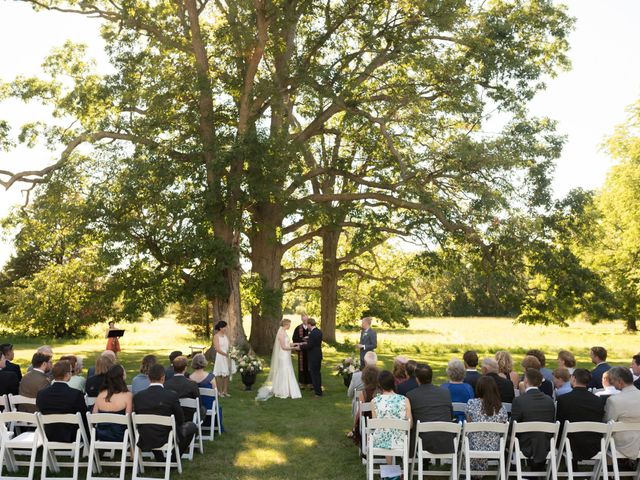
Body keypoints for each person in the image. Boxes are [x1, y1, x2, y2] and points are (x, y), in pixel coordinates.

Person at [133, 364, 197, 457]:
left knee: (152, 429)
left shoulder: (138, 396)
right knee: (191, 426)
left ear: (148, 378)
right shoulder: (171, 395)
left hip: (144, 435)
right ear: (163, 378)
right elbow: (180, 419)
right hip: (166, 436)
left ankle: (161, 459)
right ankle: (174, 459)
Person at [555, 368, 606, 462]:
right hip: (594, 443)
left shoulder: (564, 399)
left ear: (573, 378)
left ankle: (571, 465)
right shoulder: (598, 400)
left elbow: (560, 424)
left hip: (570, 444)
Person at [511, 369, 556, 470]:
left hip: (525, 444)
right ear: (540, 383)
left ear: (525, 381)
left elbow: (512, 427)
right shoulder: (549, 400)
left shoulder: (519, 400)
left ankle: (511, 467)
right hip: (546, 443)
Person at [406, 363, 454, 455]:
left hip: (422, 441)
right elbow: (451, 415)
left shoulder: (411, 395)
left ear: (417, 379)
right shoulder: (445, 392)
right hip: (445, 439)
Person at [36, 360, 88, 442]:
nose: (72, 373)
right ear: (67, 375)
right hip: (72, 436)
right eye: (71, 371)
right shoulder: (76, 394)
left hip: (49, 434)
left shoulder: (41, 394)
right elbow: (84, 417)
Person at [464, 376, 508, 472]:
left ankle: (474, 471)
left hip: (473, 445)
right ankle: (478, 471)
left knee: (471, 436)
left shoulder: (471, 403)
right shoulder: (501, 407)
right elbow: (503, 427)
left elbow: (469, 424)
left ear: (479, 388)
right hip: (494, 446)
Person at [256, 318, 303, 401]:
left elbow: (287, 343)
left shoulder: (284, 332)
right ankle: (282, 390)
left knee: (287, 370)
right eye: (289, 324)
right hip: (283, 355)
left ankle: (286, 389)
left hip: (286, 355)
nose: (290, 326)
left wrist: (296, 344)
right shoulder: (281, 333)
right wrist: (294, 348)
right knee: (284, 370)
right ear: (286, 324)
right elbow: (284, 347)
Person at [371, 370, 412, 465]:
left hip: (380, 442)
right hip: (400, 441)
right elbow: (409, 425)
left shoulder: (375, 401)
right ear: (393, 383)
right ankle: (393, 470)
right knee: (392, 433)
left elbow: (374, 424)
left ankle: (389, 468)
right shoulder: (404, 400)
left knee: (385, 432)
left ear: (380, 384)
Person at [604, 366, 640, 460]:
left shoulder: (614, 400)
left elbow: (607, 424)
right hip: (638, 443)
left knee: (605, 437)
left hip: (621, 444)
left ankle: (609, 469)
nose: (612, 384)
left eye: (612, 381)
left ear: (620, 382)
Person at [93, 364, 133, 441]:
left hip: (102, 435)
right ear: (122, 377)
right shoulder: (127, 396)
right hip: (121, 436)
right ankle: (133, 451)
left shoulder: (101, 394)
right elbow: (129, 419)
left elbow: (94, 415)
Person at [349, 365, 380, 446]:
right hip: (381, 421)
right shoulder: (382, 391)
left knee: (361, 419)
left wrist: (354, 427)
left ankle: (366, 443)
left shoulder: (364, 393)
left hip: (368, 423)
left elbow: (360, 413)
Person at [164, 355, 202, 420]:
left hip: (173, 415)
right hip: (190, 416)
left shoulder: (166, 384)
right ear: (185, 368)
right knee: (203, 409)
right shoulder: (192, 384)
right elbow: (199, 403)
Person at [348, 351, 378, 416]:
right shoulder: (382, 376)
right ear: (376, 363)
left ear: (365, 362)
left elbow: (350, 394)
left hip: (359, 408)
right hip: (378, 408)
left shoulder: (356, 376)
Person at [302, 318, 323, 397]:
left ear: (310, 324)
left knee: (314, 374)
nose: (307, 326)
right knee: (317, 373)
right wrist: (308, 339)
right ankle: (318, 390)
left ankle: (317, 393)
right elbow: (315, 342)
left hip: (313, 356)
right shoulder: (318, 331)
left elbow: (309, 346)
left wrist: (301, 346)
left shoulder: (312, 333)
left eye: (307, 324)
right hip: (318, 354)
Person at [213, 321, 234, 397]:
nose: (226, 328)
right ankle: (220, 391)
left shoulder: (225, 336)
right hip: (220, 356)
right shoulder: (216, 336)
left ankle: (225, 391)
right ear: (220, 328)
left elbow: (228, 346)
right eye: (224, 327)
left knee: (226, 374)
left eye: (226, 327)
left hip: (227, 356)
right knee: (219, 374)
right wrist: (226, 354)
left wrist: (231, 352)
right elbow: (217, 349)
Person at [292, 314, 311, 389]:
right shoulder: (298, 328)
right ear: (301, 320)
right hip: (302, 350)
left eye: (306, 320)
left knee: (310, 366)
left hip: (309, 350)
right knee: (301, 367)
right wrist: (302, 340)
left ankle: (310, 383)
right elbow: (294, 338)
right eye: (303, 320)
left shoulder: (311, 327)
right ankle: (302, 383)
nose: (305, 321)